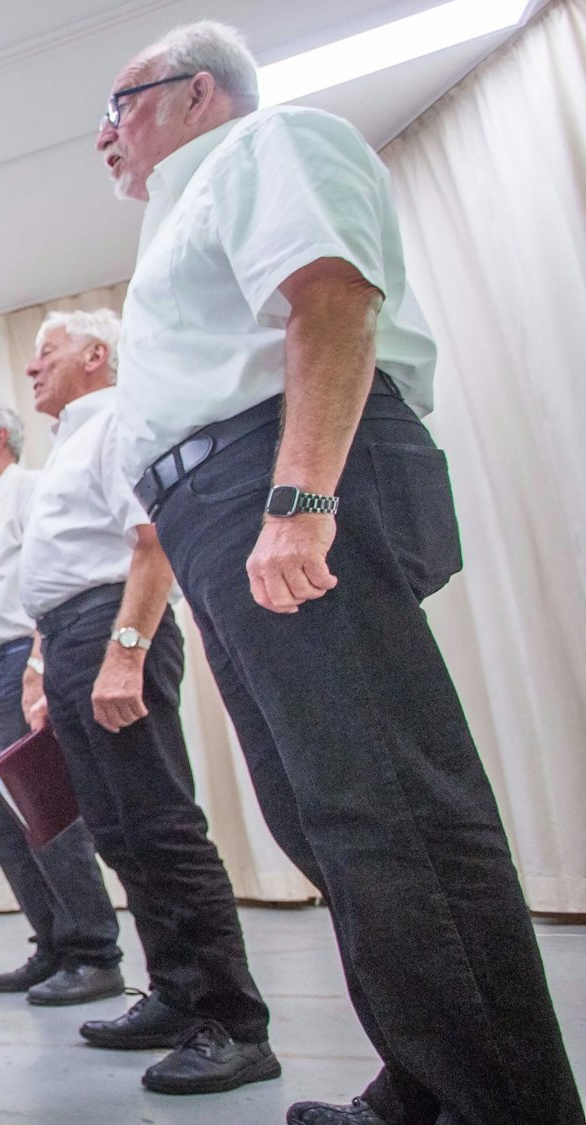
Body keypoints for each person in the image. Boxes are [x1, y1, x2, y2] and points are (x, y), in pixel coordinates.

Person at [102, 22, 583, 1125]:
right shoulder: (183, 214)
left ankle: (498, 1106)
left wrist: (300, 500)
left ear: (197, 95)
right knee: (321, 814)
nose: (104, 136)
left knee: (388, 809)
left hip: (277, 474)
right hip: (216, 501)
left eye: (119, 106)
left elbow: (329, 299)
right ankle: (425, 1082)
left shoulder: (264, 147)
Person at [18, 309, 275, 1094]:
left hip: (110, 629)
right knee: (119, 832)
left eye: (46, 353)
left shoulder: (117, 421)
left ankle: (232, 1022)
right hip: (70, 637)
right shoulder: (70, 440)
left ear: (98, 355)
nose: (32, 368)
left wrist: (124, 651)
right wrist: (42, 664)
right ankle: (174, 993)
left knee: (161, 827)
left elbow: (151, 539)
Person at [0, 404, 124, 1006]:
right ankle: (53, 945)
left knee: (47, 820)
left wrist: (38, 669)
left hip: (17, 667)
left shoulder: (28, 492)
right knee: (5, 827)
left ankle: (94, 953)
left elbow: (47, 586)